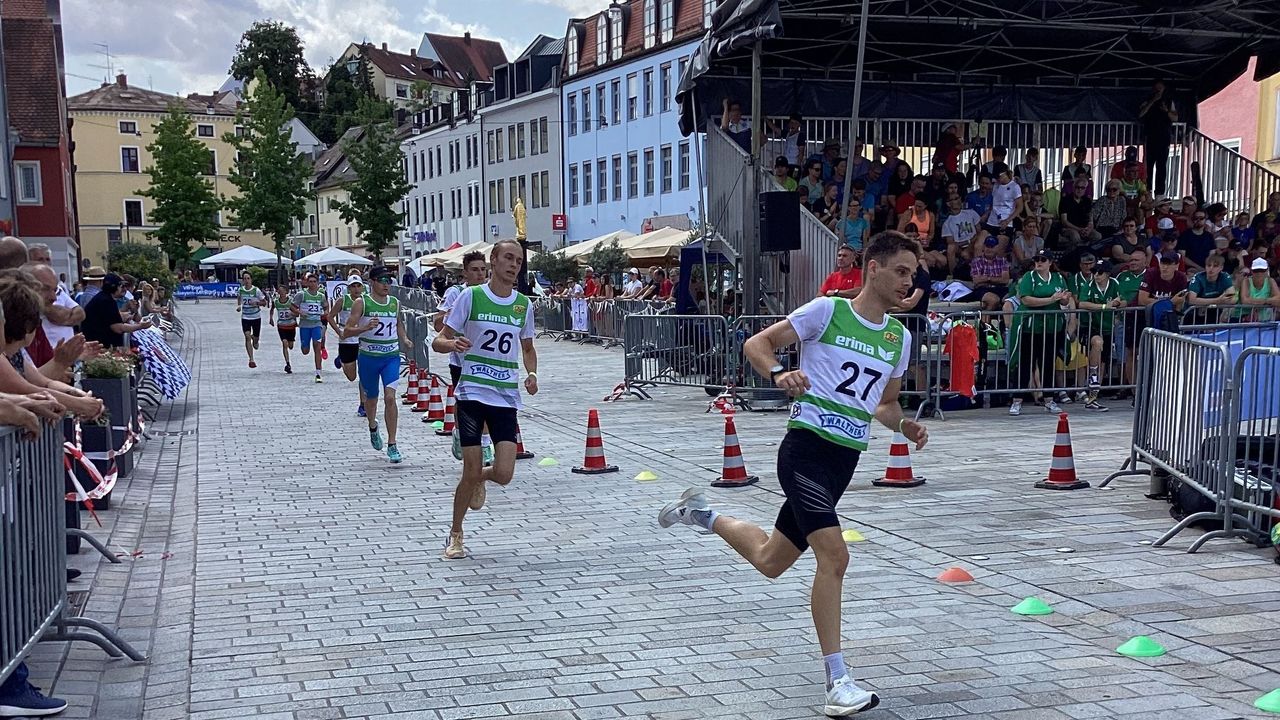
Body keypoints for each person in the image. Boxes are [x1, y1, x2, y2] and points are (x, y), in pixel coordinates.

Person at [657, 231, 928, 718]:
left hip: (843, 461)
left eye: (913, 274)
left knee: (770, 560)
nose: (909, 283)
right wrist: (780, 374)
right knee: (836, 555)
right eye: (902, 271)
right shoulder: (827, 311)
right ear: (873, 268)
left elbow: (884, 403)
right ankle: (837, 681)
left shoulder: (899, 338)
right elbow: (756, 343)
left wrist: (903, 424)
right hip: (804, 450)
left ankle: (700, 514)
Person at [433, 240, 538, 560]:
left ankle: (479, 479)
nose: (514, 264)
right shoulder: (471, 296)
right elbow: (438, 339)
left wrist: (532, 374)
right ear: (494, 261)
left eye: (519, 260)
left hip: (506, 396)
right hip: (472, 393)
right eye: (508, 257)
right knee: (470, 467)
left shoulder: (523, 305)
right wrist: (452, 345)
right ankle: (455, 533)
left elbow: (528, 348)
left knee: (504, 473)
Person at [343, 266, 411, 463]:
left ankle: (392, 444)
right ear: (371, 282)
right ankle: (373, 426)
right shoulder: (361, 303)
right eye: (382, 280)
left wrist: (405, 339)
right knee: (371, 399)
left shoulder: (394, 303)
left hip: (390, 356)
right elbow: (347, 331)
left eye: (389, 280)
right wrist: (365, 327)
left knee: (390, 398)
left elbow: (398, 323)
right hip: (368, 357)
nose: (386, 285)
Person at [434, 252, 495, 466]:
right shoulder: (455, 292)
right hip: (460, 359)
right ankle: (459, 434)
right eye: (475, 270)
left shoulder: (491, 293)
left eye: (482, 270)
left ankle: (486, 445)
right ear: (465, 273)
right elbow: (437, 324)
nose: (480, 274)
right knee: (465, 405)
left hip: (486, 360)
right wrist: (450, 315)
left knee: (486, 402)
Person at [1009, 252, 1067, 416]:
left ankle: (1049, 399)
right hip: (1030, 326)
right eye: (1036, 260)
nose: (1039, 262)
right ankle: (1017, 400)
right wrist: (1051, 299)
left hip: (1050, 327)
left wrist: (1062, 299)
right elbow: (1026, 299)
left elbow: (1064, 299)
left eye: (1042, 260)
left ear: (1050, 262)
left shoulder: (1058, 278)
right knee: (1025, 363)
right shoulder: (1029, 277)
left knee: (1047, 363)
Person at [1073, 260, 1125, 408]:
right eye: (1094, 271)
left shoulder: (1114, 284)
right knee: (1097, 343)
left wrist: (1117, 304)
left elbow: (1124, 301)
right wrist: (1103, 307)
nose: (1096, 274)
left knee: (1103, 360)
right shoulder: (1088, 285)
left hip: (1108, 327)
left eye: (1100, 272)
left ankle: (1093, 396)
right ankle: (1093, 375)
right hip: (1090, 325)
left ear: (1108, 274)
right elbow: (1082, 304)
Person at [81, 273, 151, 349]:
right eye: (122, 286)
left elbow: (113, 317)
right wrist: (140, 326)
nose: (125, 289)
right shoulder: (106, 301)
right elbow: (117, 328)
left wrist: (132, 312)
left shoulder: (104, 298)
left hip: (99, 344)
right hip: (101, 346)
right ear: (113, 287)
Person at [329, 274, 366, 416]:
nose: (356, 289)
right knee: (351, 376)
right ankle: (342, 361)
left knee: (363, 373)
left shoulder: (365, 301)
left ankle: (362, 404)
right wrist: (339, 331)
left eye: (358, 286)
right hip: (347, 338)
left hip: (362, 338)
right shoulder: (342, 300)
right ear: (349, 288)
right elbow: (330, 316)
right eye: (353, 286)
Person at [1139, 80, 1177, 196]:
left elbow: (1175, 118)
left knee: (1161, 167)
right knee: (1148, 166)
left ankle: (1160, 193)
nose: (1158, 91)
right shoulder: (1147, 100)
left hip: (1163, 138)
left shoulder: (1169, 102)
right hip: (1150, 137)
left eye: (1160, 89)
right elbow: (1141, 114)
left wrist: (1166, 111)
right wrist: (1153, 101)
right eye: (1156, 89)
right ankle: (1148, 191)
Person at [291, 273, 329, 383]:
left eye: (314, 282)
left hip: (317, 324)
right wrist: (299, 312)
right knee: (305, 350)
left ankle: (318, 373)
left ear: (318, 283)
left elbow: (326, 307)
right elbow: (292, 307)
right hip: (304, 325)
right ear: (307, 283)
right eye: (310, 281)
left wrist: (324, 313)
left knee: (317, 346)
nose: (312, 284)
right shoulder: (301, 295)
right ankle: (304, 345)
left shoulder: (321, 296)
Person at [1186, 253, 1238, 324]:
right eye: (1209, 265)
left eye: (1215, 266)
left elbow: (1232, 299)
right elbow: (1191, 300)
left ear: (1221, 268)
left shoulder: (1225, 276)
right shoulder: (1198, 278)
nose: (1211, 269)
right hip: (1193, 314)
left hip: (1213, 313)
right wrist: (1218, 300)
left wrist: (1205, 302)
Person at [236, 270, 266, 368]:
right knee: (247, 336)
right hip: (245, 317)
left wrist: (256, 303)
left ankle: (256, 340)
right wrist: (239, 306)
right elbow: (239, 298)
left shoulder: (256, 290)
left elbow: (264, 302)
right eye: (244, 279)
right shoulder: (241, 290)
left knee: (255, 339)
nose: (246, 280)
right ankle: (251, 359)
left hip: (256, 316)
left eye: (248, 278)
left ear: (251, 279)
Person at [1238, 257, 1280, 322]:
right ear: (1251, 271)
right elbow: (1245, 300)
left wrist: (1257, 302)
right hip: (1247, 322)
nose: (1259, 273)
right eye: (1256, 271)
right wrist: (1268, 301)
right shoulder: (1246, 281)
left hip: (1266, 321)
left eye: (1262, 270)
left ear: (1267, 270)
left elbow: (1278, 300)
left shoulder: (1270, 281)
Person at [269, 281, 297, 374]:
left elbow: (297, 312)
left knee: (291, 345)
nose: (280, 292)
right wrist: (271, 319)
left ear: (286, 292)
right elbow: (272, 309)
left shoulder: (291, 301)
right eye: (279, 291)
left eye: (282, 291)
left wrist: (293, 314)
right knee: (284, 343)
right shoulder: (276, 301)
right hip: (281, 325)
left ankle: (290, 344)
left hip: (291, 325)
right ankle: (288, 364)